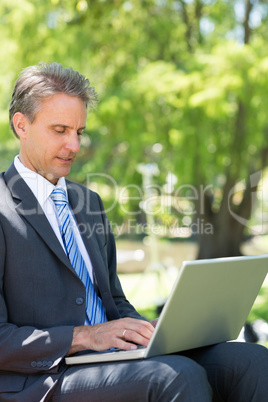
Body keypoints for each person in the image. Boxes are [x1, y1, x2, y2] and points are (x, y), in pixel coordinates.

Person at [0, 62, 267, 402]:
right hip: (45, 377)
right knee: (175, 377)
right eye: (60, 130)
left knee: (252, 360)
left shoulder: (87, 202)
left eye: (79, 131)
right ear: (21, 125)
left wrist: (151, 330)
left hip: (113, 359)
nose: (74, 145)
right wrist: (85, 336)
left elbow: (113, 301)